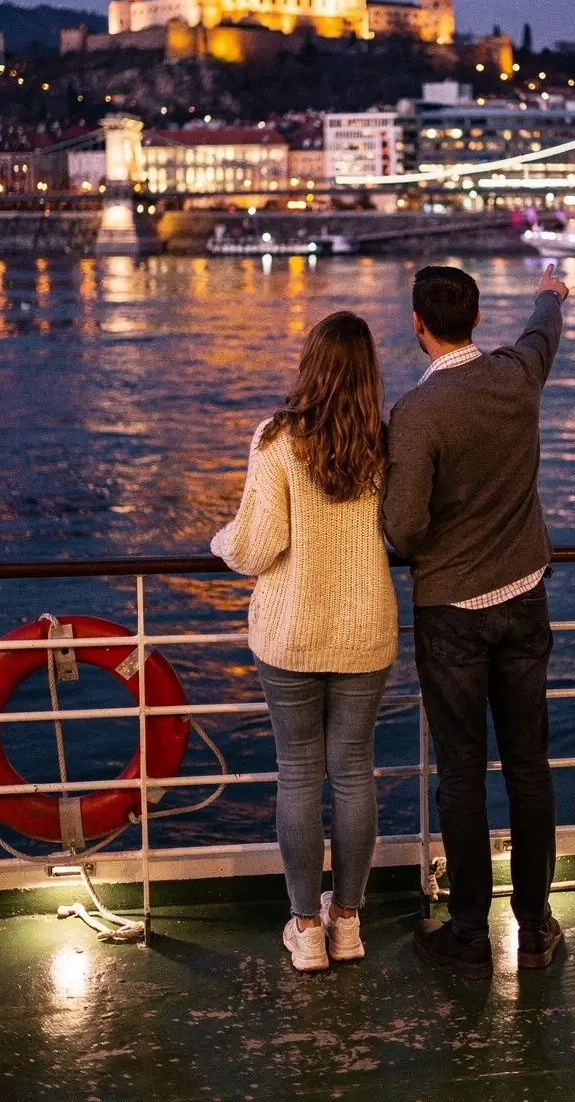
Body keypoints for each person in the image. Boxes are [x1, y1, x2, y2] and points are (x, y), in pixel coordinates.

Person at [382, 263, 568, 980]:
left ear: (419, 324)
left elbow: (402, 530)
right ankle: (536, 927)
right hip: (525, 599)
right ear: (477, 319)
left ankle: (467, 935)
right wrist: (551, 291)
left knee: (462, 774)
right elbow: (542, 330)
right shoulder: (518, 374)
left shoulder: (418, 413)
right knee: (528, 767)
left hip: (453, 614)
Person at [211, 312, 398, 973]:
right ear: (369, 370)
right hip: (364, 628)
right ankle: (346, 922)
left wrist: (218, 543)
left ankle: (305, 930)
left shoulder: (278, 440)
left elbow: (257, 545)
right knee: (353, 774)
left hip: (291, 632)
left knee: (299, 775)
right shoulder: (383, 441)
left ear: (309, 366)